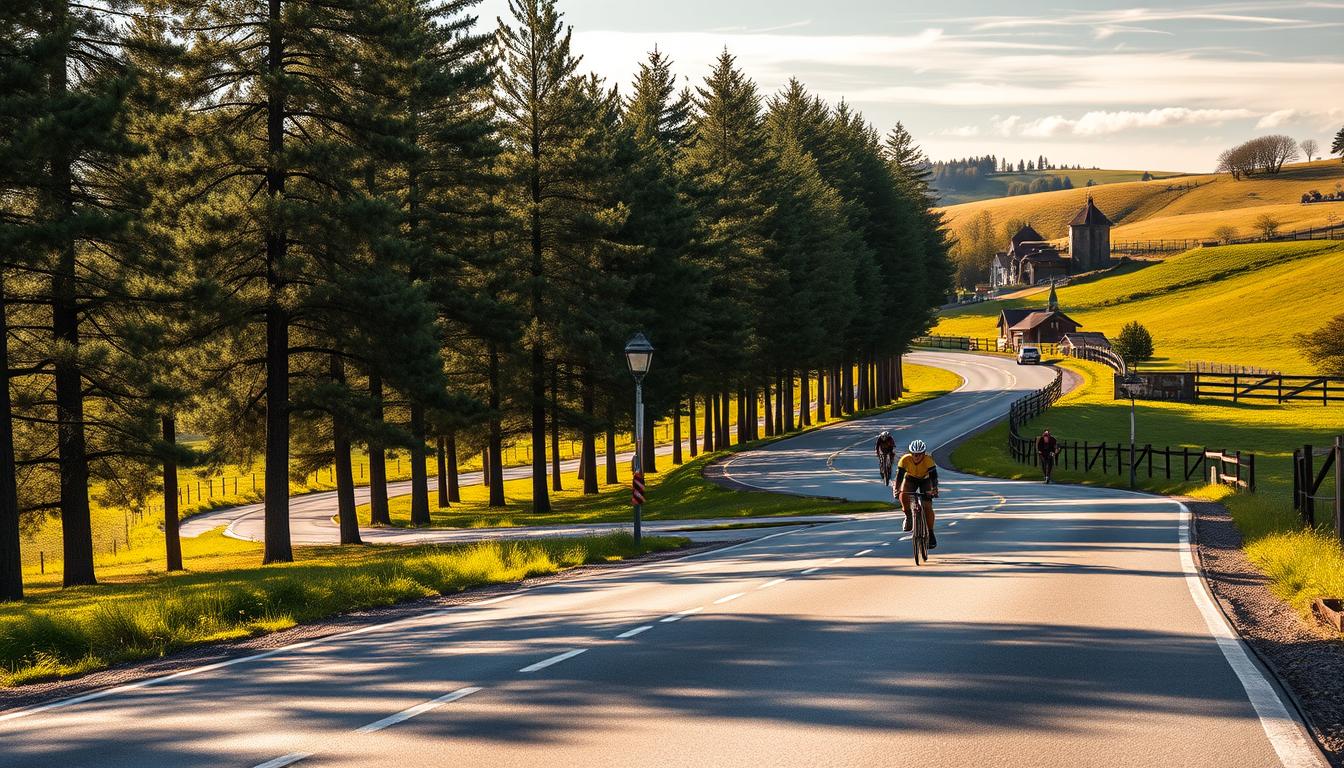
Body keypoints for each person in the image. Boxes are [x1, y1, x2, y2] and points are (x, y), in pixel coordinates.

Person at [894, 439, 939, 548]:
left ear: (923, 454)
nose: (916, 457)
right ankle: (908, 516)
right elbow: (899, 476)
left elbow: (934, 477)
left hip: (925, 480)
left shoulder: (929, 460)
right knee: (903, 494)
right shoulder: (905, 460)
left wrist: (934, 489)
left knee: (927, 506)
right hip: (910, 479)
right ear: (911, 453)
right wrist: (897, 489)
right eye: (914, 454)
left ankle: (931, 533)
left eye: (919, 454)